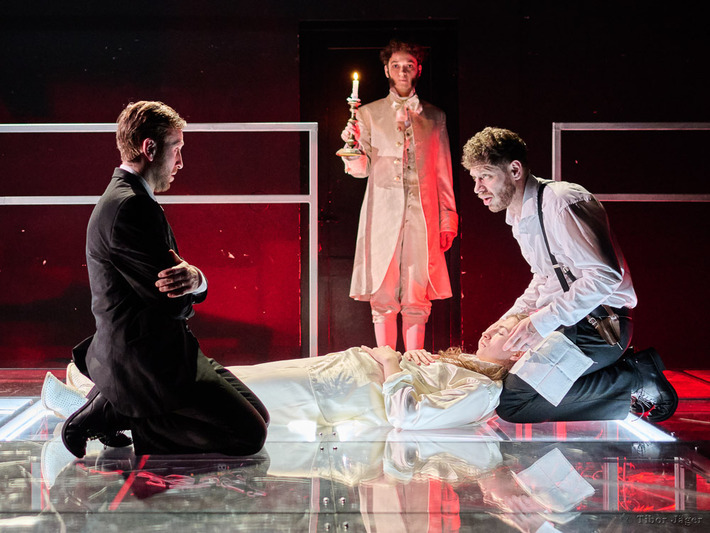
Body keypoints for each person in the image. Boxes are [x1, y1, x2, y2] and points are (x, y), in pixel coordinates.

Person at [61, 101, 269, 458]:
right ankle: (113, 412)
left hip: (165, 350)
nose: (181, 162)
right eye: (177, 148)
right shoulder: (130, 205)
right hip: (146, 363)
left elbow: (176, 290)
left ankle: (118, 407)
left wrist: (196, 278)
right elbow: (172, 303)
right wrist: (191, 284)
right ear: (150, 148)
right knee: (249, 436)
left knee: (259, 418)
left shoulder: (127, 198)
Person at [461, 126, 678, 423]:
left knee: (513, 402)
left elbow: (605, 276)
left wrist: (540, 322)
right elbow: (544, 278)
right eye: (474, 178)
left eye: (485, 176)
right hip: (573, 324)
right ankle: (620, 382)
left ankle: (633, 378)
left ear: (514, 170)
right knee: (507, 388)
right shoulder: (520, 215)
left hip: (601, 327)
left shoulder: (562, 201)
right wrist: (508, 320)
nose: (477, 188)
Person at [44, 315, 528, 432]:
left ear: (519, 353)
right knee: (221, 378)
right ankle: (105, 395)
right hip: (333, 374)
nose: (497, 326)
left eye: (509, 331)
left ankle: (98, 404)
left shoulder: (483, 391)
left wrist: (391, 363)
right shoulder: (468, 370)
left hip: (330, 395)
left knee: (215, 390)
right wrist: (404, 363)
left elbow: (408, 416)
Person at [339, 39, 458, 351]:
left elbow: (443, 171)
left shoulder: (434, 116)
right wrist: (352, 149)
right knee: (384, 288)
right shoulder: (368, 114)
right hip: (382, 211)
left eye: (408, 65)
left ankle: (415, 362)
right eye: (396, 65)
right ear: (386, 70)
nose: (402, 71)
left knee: (417, 288)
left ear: (418, 69)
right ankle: (387, 363)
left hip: (423, 212)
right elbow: (361, 170)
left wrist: (448, 218)